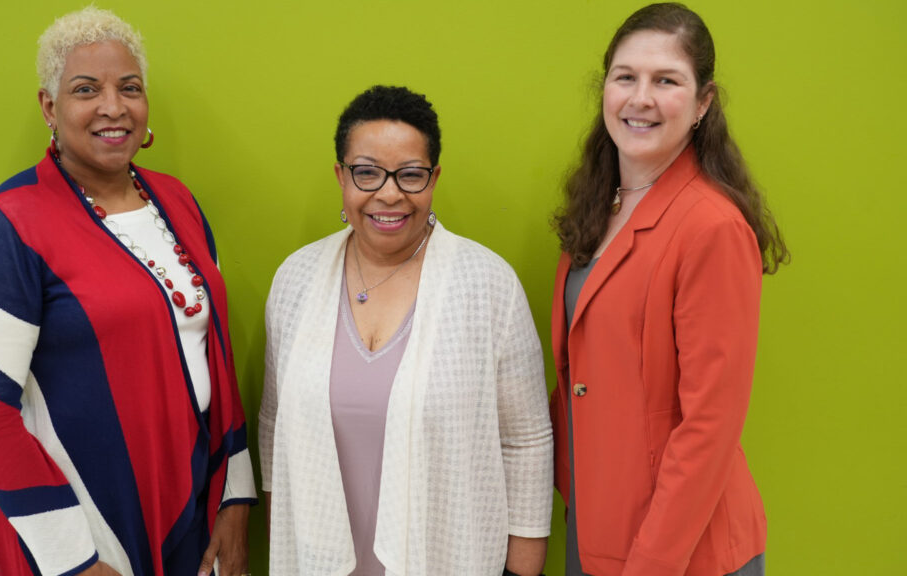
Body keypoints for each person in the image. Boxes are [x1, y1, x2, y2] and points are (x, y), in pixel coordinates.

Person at [0, 8, 255, 576]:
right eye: (86, 89)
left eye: (129, 88)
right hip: (77, 525)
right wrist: (74, 561)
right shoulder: (5, 223)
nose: (113, 107)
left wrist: (235, 499)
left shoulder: (177, 202)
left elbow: (217, 357)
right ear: (49, 107)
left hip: (187, 502)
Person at [258, 85, 553, 576]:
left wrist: (523, 572)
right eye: (367, 172)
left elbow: (526, 443)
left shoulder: (486, 284)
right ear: (341, 176)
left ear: (434, 178)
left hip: (448, 559)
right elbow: (273, 428)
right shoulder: (297, 279)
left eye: (410, 175)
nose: (389, 193)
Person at [550, 3, 788, 576]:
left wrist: (652, 564)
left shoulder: (712, 227)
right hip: (599, 523)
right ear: (604, 86)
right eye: (625, 77)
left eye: (666, 81)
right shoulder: (598, 204)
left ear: (703, 102)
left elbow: (710, 424)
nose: (641, 98)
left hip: (676, 551)